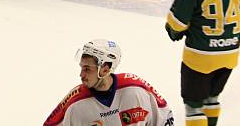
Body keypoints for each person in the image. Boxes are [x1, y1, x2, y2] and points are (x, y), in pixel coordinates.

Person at [44, 39, 174, 126]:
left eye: (87, 69)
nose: (81, 75)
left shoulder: (136, 90)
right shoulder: (75, 104)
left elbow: (165, 117)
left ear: (105, 69)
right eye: (81, 68)